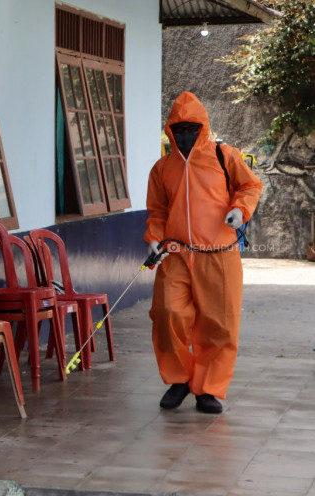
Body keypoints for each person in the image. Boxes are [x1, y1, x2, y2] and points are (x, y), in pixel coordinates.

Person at [144, 91, 262, 414]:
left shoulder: (224, 155)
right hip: (177, 253)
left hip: (219, 253)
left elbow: (250, 186)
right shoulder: (162, 169)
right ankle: (180, 379)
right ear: (170, 130)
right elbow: (157, 211)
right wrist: (154, 238)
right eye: (178, 129)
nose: (184, 135)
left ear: (202, 127)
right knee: (168, 314)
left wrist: (240, 210)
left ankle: (208, 389)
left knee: (219, 324)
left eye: (190, 128)